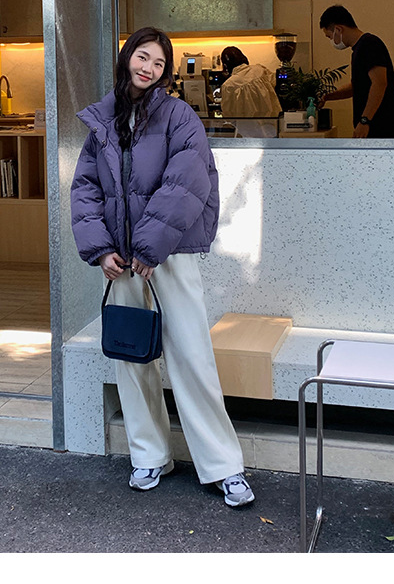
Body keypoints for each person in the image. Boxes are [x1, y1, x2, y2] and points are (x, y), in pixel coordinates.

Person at [70, 26, 254, 508]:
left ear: (166, 72)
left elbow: (187, 183)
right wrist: (101, 249)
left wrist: (150, 247)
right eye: (142, 57)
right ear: (127, 57)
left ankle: (223, 466)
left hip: (167, 255)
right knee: (132, 357)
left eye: (158, 63)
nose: (148, 68)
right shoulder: (104, 118)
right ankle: (149, 455)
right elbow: (85, 189)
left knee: (191, 355)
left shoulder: (179, 116)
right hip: (121, 261)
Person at [318, 5, 394, 138]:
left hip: (382, 127)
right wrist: (327, 96)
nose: (332, 41)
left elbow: (379, 83)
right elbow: (358, 86)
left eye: (329, 37)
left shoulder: (369, 44)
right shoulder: (359, 49)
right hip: (373, 126)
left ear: (338, 29)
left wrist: (365, 120)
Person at [219, 46, 281, 119]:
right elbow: (276, 86)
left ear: (225, 65)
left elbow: (228, 115)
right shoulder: (260, 70)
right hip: (272, 122)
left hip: (246, 125)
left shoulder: (228, 85)